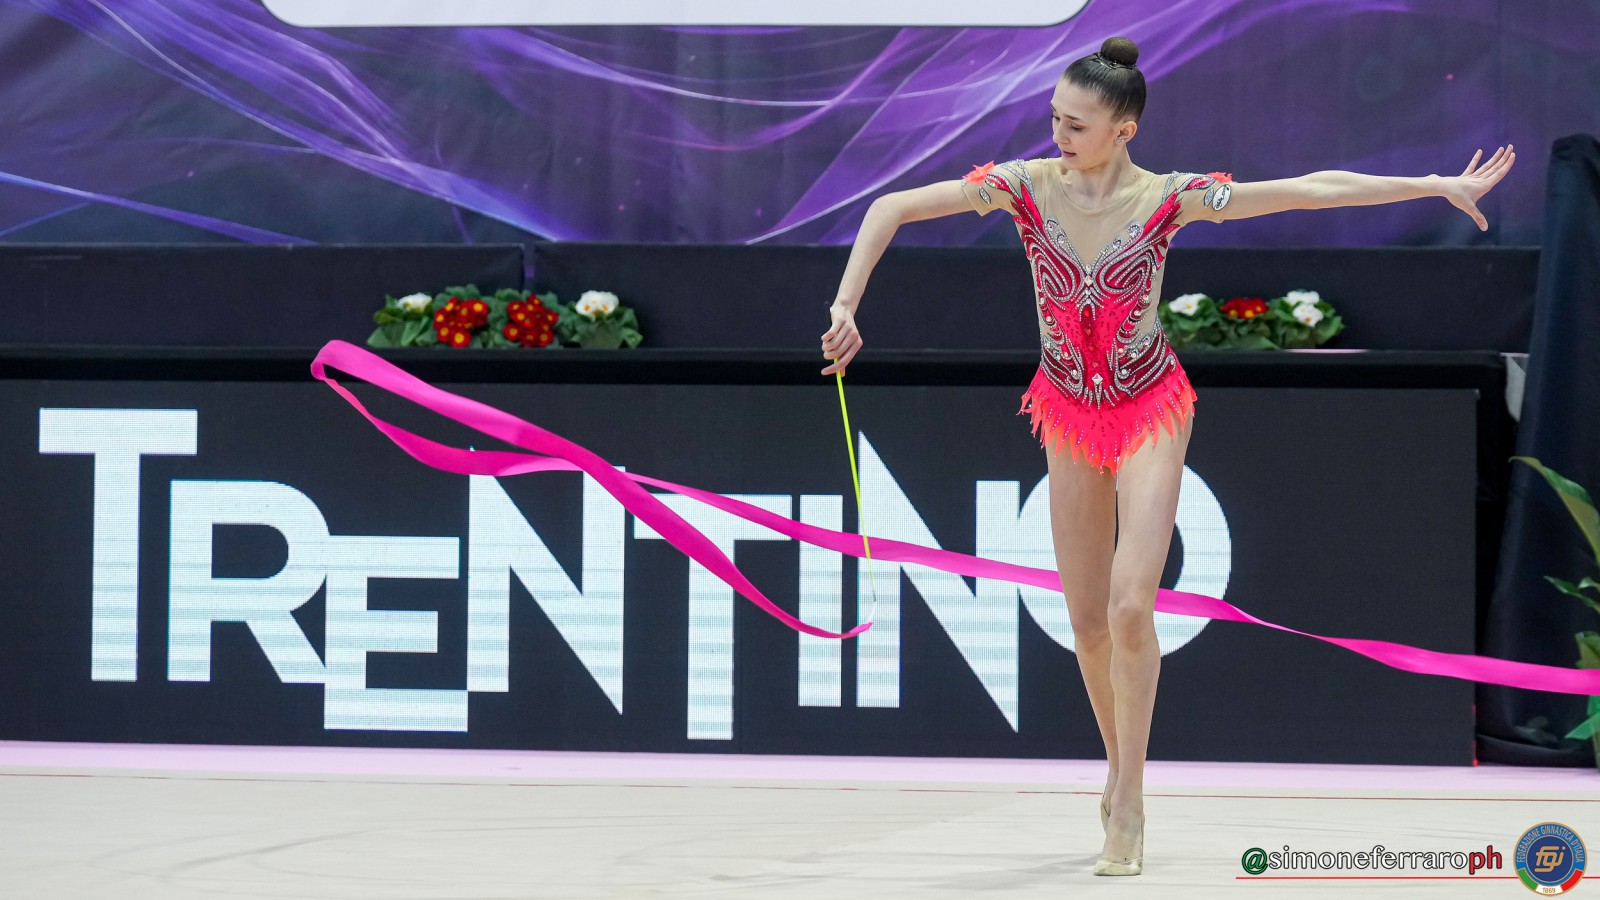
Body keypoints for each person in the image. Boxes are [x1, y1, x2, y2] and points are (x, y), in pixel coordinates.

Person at [818, 35, 1514, 876]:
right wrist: (847, 304)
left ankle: (1130, 801)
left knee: (1128, 608)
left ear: (1126, 130)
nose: (1058, 136)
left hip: (1149, 405)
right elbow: (889, 207)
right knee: (1085, 622)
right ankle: (1117, 772)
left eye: (1076, 125)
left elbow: (1307, 191)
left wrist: (1435, 184)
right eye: (1054, 119)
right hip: (1068, 409)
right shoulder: (1024, 187)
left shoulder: (1169, 199)